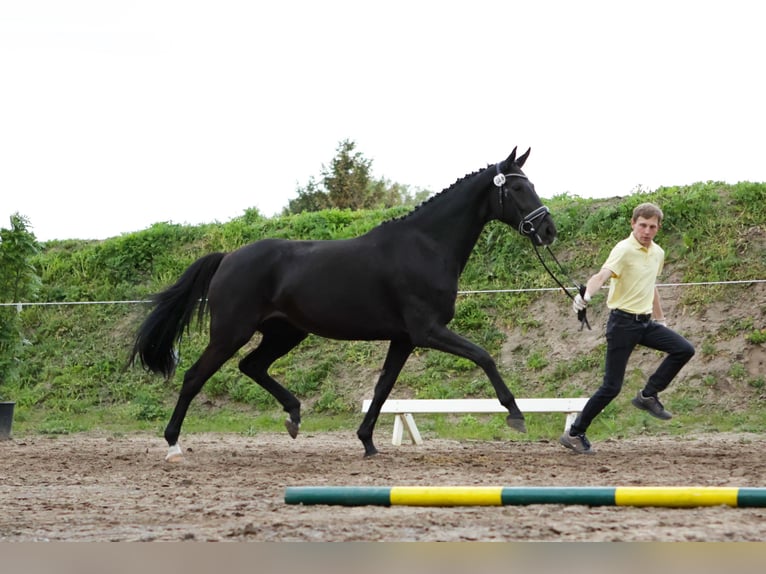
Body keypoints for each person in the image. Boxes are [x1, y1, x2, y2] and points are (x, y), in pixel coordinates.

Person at [559, 202, 695, 454]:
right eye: (642, 225)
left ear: (658, 228)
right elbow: (601, 276)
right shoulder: (623, 250)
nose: (646, 231)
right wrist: (585, 297)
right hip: (622, 324)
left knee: (684, 349)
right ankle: (575, 433)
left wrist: (661, 319)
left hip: (646, 323)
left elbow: (650, 285)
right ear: (633, 224)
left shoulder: (657, 253)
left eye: (652, 226)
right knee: (611, 387)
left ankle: (648, 395)